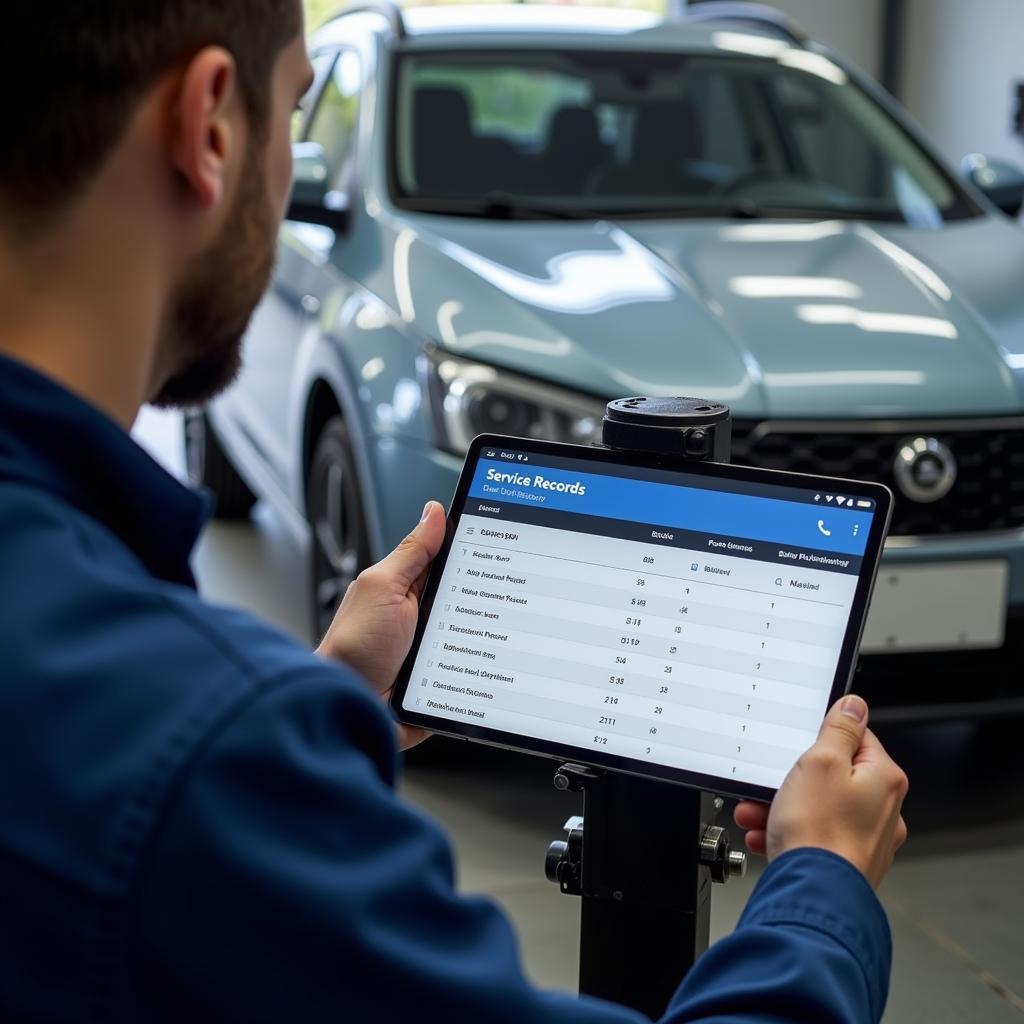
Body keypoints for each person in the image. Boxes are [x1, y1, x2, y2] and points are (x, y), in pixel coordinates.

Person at [0, 2, 909, 1021]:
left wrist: (328, 696)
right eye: (293, 113)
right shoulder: (191, 748)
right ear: (210, 124)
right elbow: (159, 781)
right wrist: (823, 881)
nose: (291, 166)